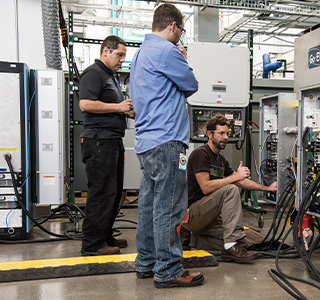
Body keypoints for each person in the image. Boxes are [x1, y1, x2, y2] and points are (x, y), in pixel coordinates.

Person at [130, 3, 204, 288]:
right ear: (172, 25)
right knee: (169, 208)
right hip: (168, 142)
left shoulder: (140, 55)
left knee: (149, 206)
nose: (180, 37)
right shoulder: (168, 51)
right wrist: (183, 57)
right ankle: (170, 270)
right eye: (181, 31)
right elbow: (191, 83)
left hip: (146, 142)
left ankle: (146, 263)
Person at [183, 114, 278, 263]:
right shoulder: (200, 154)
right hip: (194, 213)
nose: (226, 137)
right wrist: (234, 178)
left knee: (241, 241)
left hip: (208, 219)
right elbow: (205, 187)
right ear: (209, 134)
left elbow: (242, 182)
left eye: (227, 133)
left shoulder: (221, 160)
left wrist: (268, 188)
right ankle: (229, 248)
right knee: (231, 190)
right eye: (221, 133)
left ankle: (198, 241)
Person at [79, 35, 133, 256]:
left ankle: (105, 235)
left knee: (113, 192)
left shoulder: (111, 76)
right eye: (119, 55)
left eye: (124, 56)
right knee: (101, 192)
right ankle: (92, 244)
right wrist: (119, 108)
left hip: (112, 140)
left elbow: (116, 106)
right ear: (105, 51)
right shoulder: (94, 73)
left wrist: (128, 111)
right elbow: (85, 103)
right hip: (99, 140)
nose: (122, 60)